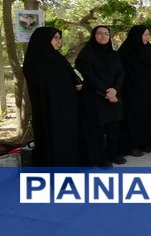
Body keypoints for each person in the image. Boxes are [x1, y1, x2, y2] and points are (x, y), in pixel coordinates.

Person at [23, 27, 82, 166]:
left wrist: (78, 84)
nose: (59, 42)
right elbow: (43, 86)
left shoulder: (58, 58)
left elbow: (72, 76)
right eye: (55, 38)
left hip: (67, 109)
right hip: (48, 109)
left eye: (59, 38)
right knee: (52, 138)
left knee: (68, 138)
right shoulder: (34, 62)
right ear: (44, 40)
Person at [75, 26, 126, 166]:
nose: (103, 36)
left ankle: (114, 155)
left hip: (114, 95)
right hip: (95, 96)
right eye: (99, 33)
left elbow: (121, 73)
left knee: (114, 128)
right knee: (98, 130)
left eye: (106, 34)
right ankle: (101, 159)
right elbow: (89, 76)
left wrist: (114, 90)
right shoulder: (87, 54)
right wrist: (106, 92)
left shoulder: (114, 54)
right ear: (93, 36)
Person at [118, 25, 151, 157]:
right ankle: (133, 145)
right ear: (137, 36)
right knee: (135, 117)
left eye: (148, 34)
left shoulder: (148, 48)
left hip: (149, 90)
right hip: (132, 92)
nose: (148, 37)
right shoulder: (126, 51)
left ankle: (146, 142)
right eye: (145, 35)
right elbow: (124, 71)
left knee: (148, 116)